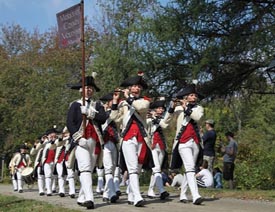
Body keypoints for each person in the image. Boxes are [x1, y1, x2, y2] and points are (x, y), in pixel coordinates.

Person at [110, 72, 152, 207]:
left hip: (141, 137)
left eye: (139, 86)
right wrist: (115, 102)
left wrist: (128, 98)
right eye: (134, 86)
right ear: (129, 88)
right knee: (132, 168)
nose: (137, 88)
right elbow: (115, 119)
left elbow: (140, 107)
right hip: (127, 136)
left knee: (138, 168)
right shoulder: (123, 103)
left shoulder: (144, 101)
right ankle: (138, 196)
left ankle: (132, 194)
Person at [67, 75, 108, 209]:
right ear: (81, 90)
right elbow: (70, 123)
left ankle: (81, 197)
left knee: (89, 170)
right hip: (81, 140)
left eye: (91, 88)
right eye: (86, 88)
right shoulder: (75, 105)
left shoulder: (97, 105)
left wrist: (90, 113)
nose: (89, 90)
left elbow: (103, 118)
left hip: (95, 141)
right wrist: (78, 138)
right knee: (84, 168)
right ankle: (90, 198)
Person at [164, 84, 204, 205]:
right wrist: (171, 107)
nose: (194, 97)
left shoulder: (199, 108)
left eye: (195, 95)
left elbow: (197, 117)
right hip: (182, 142)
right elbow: (165, 122)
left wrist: (186, 108)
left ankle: (183, 193)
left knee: (189, 169)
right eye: (191, 95)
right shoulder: (178, 109)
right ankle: (196, 194)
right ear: (185, 97)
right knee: (190, 167)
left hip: (195, 142)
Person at [146, 98, 170, 200]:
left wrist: (156, 119)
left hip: (161, 146)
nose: (161, 110)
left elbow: (165, 126)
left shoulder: (163, 120)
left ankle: (150, 190)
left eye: (162, 108)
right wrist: (150, 116)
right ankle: (161, 190)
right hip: (152, 145)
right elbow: (146, 125)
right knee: (156, 168)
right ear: (154, 109)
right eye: (159, 108)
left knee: (157, 170)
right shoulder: (149, 119)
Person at [100, 92, 120, 203]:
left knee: (112, 169)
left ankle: (106, 193)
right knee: (108, 168)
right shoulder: (102, 114)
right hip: (104, 142)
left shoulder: (116, 113)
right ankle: (112, 193)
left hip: (113, 142)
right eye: (112, 101)